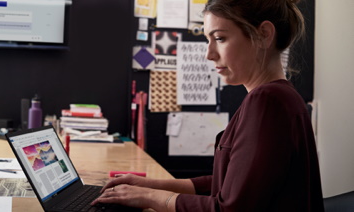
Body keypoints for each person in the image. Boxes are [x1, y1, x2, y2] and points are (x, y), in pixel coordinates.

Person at [91, 0, 324, 211]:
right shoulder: (281, 96)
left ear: (263, 34)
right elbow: (234, 183)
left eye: (220, 38)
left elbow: (231, 207)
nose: (208, 54)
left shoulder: (267, 101)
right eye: (207, 40)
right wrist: (151, 185)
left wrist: (151, 197)